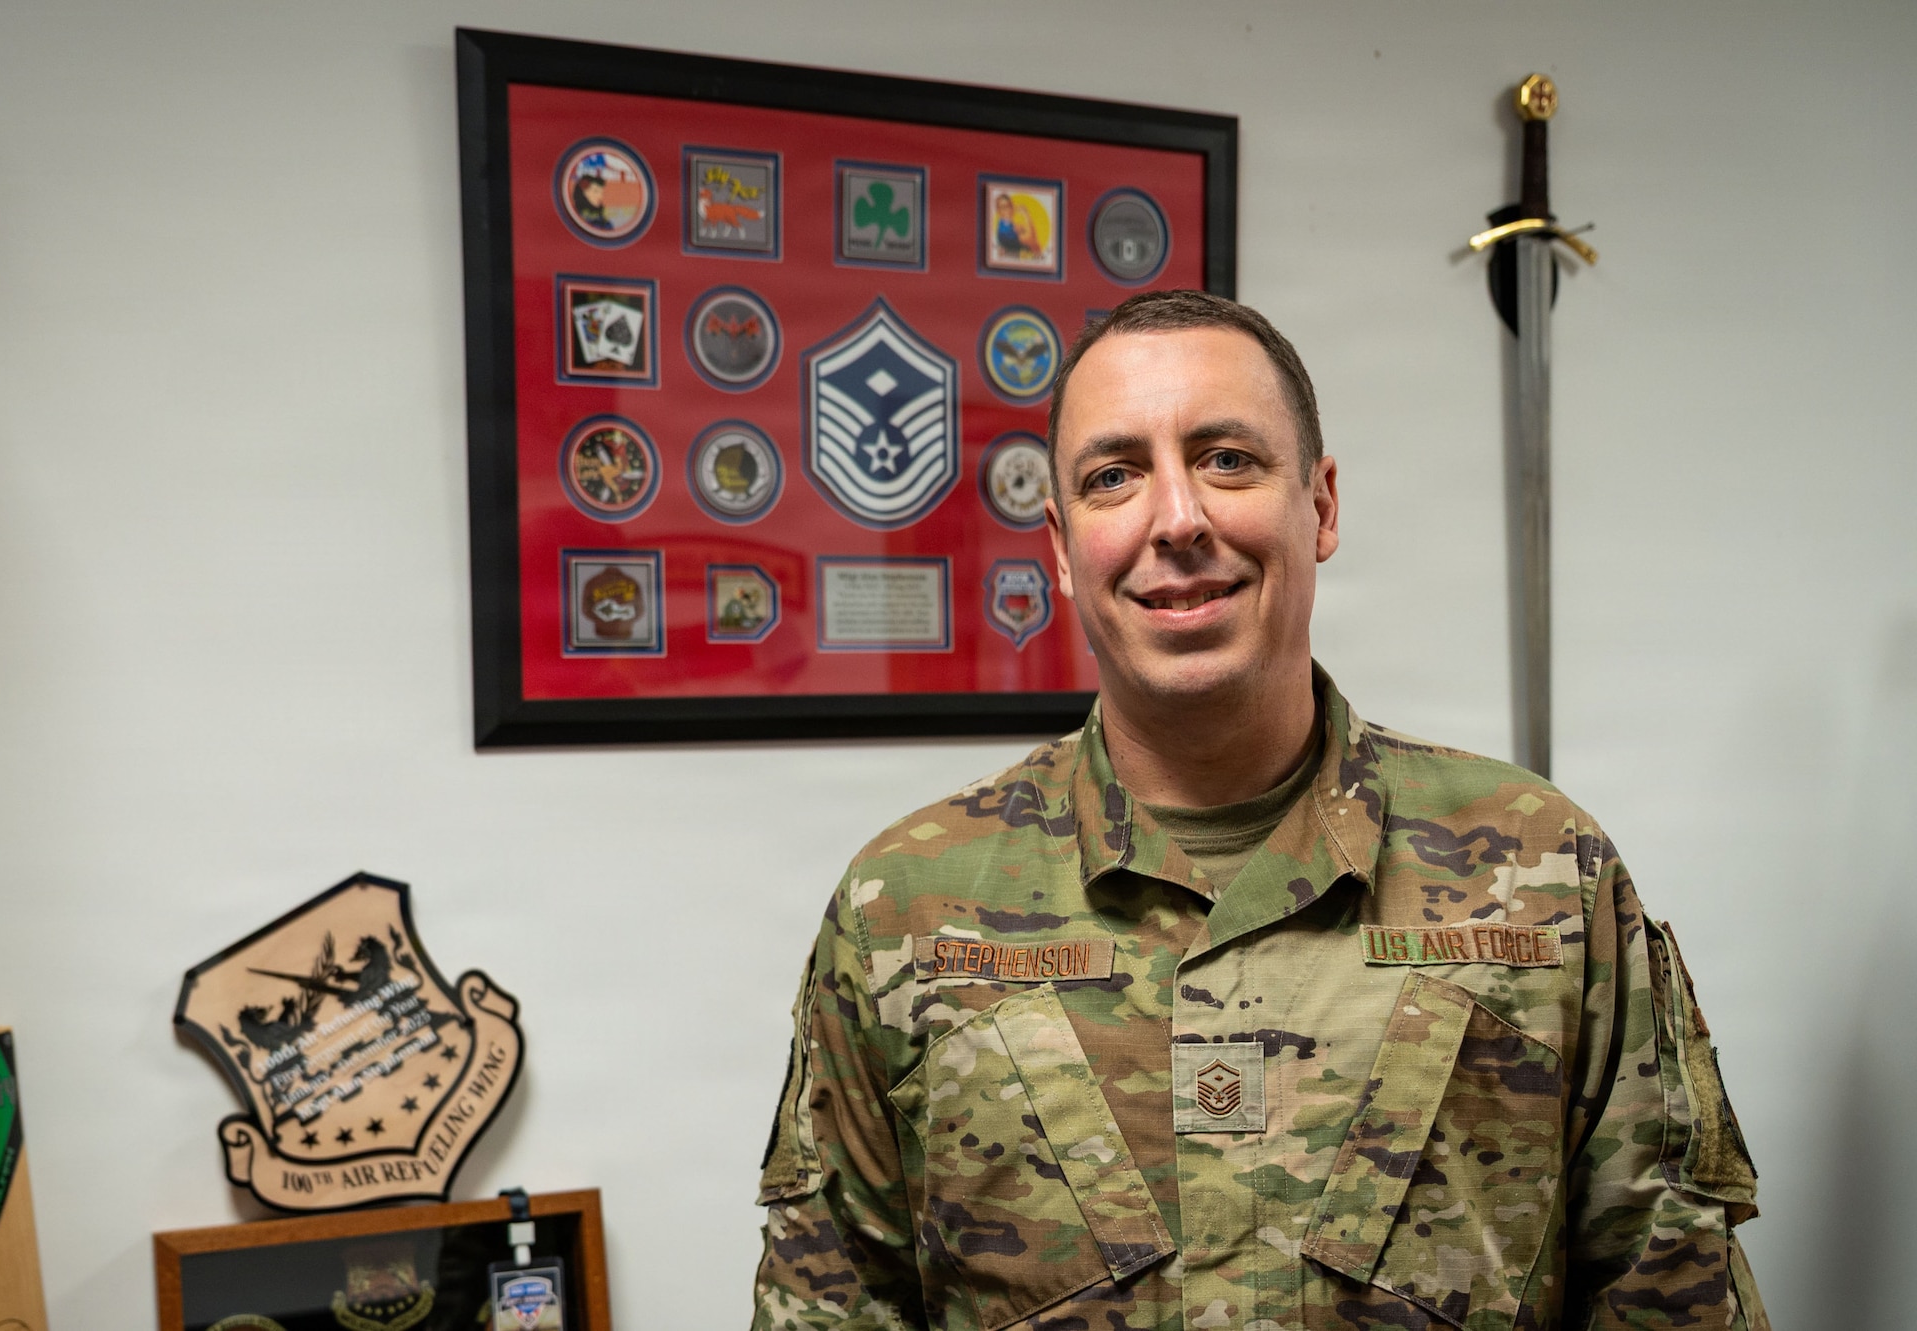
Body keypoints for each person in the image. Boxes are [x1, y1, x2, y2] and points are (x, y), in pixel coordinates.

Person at [751, 290, 1768, 1331]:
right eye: (1114, 476)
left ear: (1319, 505)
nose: (1177, 519)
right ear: (1059, 548)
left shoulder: (1547, 869)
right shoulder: (907, 909)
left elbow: (1669, 1297)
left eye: (1226, 458)